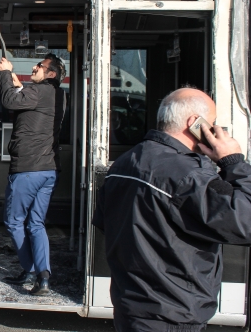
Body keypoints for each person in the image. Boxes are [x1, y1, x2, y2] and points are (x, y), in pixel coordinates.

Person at [93, 87, 251, 331]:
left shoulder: (125, 162)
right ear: (194, 123)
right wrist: (233, 162)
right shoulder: (188, 176)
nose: (215, 129)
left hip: (130, 306)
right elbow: (246, 223)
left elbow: (106, 223)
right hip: (173, 313)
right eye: (213, 123)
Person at [0, 53, 66, 295]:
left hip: (28, 169)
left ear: (51, 74)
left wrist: (5, 73)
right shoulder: (55, 94)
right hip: (48, 169)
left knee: (14, 221)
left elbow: (10, 102)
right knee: (36, 224)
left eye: (41, 66)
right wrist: (20, 86)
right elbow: (29, 105)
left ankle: (30, 269)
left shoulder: (41, 91)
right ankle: (43, 277)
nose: (35, 67)